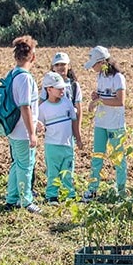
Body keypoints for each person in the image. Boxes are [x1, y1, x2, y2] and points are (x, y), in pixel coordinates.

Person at [85, 46, 127, 200]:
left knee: (118, 159)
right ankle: (92, 189)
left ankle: (121, 191)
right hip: (100, 123)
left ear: (102, 62)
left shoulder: (118, 78)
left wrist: (99, 100)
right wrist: (95, 96)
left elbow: (120, 101)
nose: (93, 68)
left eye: (94, 64)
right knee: (97, 157)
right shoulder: (101, 76)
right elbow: (102, 97)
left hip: (115, 124)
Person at [4, 37, 40, 213]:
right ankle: (26, 201)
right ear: (32, 56)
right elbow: (25, 106)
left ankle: (11, 198)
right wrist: (32, 132)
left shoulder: (12, 74)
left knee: (16, 164)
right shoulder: (25, 78)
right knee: (26, 165)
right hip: (22, 130)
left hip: (13, 129)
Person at [36, 72, 81, 202]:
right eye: (59, 88)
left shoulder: (67, 103)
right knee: (53, 172)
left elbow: (74, 121)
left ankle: (69, 194)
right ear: (49, 89)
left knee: (68, 171)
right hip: (52, 145)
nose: (63, 90)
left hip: (67, 144)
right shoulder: (43, 108)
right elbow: (39, 125)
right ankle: (51, 195)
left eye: (63, 87)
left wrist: (78, 138)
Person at [41, 52, 83, 132]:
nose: (60, 67)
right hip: (53, 124)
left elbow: (79, 109)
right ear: (53, 68)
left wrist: (78, 129)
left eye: (63, 64)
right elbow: (41, 104)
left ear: (69, 66)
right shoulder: (47, 86)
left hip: (70, 124)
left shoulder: (74, 85)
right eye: (57, 65)